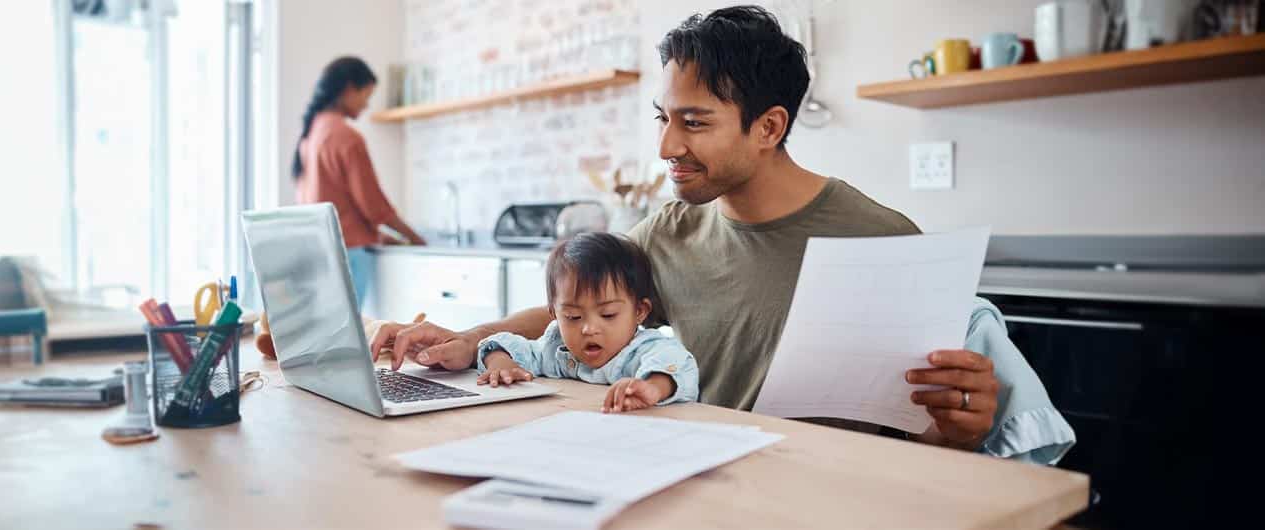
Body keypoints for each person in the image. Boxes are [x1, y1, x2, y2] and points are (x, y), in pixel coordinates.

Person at [370, 6, 1074, 464]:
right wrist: (468, 340)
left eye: (695, 123)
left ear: (769, 127)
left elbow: (935, 441)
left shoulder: (883, 242)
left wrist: (963, 432)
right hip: (683, 485)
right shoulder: (669, 228)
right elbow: (577, 308)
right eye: (663, 118)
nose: (668, 144)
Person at [474, 232, 699, 413]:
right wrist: (500, 362)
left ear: (639, 311)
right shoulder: (557, 349)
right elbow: (507, 345)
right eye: (573, 317)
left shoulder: (645, 349)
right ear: (554, 313)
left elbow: (678, 365)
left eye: (608, 314)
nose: (589, 329)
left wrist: (652, 387)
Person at [293, 56, 425, 308]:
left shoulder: (310, 135)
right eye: (366, 95)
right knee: (354, 334)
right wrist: (416, 239)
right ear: (349, 89)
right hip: (349, 254)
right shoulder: (346, 137)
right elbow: (373, 205)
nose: (366, 105)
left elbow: (332, 203)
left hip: (320, 250)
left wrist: (378, 235)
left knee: (332, 334)